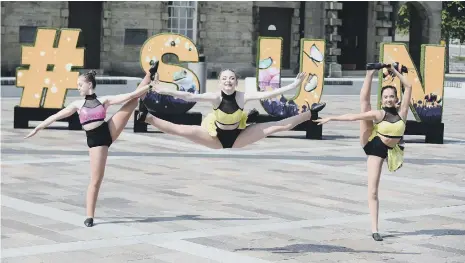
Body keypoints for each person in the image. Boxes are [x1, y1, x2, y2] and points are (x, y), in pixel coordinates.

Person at [24, 65, 158, 227]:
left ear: (89, 84)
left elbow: (130, 95)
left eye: (80, 85)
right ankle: (89, 216)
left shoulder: (104, 100)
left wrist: (149, 85)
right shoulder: (77, 105)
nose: (78, 88)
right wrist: (39, 127)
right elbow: (55, 116)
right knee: (96, 179)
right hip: (96, 142)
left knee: (132, 101)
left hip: (108, 129)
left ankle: (149, 74)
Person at [314, 62, 412, 241]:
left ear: (397, 99)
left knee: (366, 108)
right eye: (386, 97)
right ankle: (375, 229)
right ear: (382, 100)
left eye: (392, 96)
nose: (389, 99)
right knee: (373, 191)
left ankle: (370, 71)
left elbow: (409, 85)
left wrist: (394, 71)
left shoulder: (402, 112)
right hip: (373, 145)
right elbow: (353, 117)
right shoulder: (379, 114)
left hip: (390, 148)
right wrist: (331, 118)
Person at [136, 69, 326, 149]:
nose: (228, 81)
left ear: (236, 82)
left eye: (232, 79)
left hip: (239, 135)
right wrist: (162, 89)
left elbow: (268, 94)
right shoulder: (215, 96)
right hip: (214, 136)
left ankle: (312, 113)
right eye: (225, 79)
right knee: (180, 130)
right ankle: (146, 117)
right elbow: (188, 95)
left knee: (278, 126)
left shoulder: (243, 96)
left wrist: (293, 85)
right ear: (220, 82)